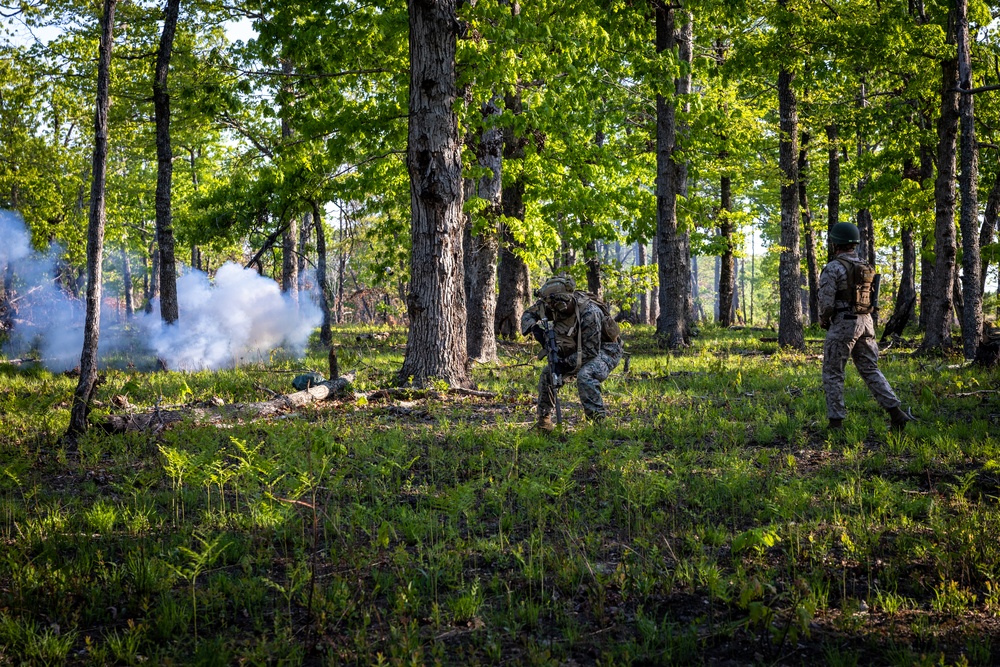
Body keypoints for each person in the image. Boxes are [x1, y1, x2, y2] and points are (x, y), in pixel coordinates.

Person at [819, 222, 913, 431]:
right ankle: (896, 413)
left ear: (836, 244)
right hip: (866, 323)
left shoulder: (833, 268)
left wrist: (824, 319)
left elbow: (826, 303)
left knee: (833, 372)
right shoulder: (866, 267)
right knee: (870, 369)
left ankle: (836, 423)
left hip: (844, 324)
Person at [521, 275, 623, 432]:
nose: (556, 309)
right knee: (549, 374)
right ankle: (544, 422)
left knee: (586, 375)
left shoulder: (589, 312)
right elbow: (528, 314)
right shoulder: (549, 303)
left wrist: (564, 364)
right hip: (577, 349)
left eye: (560, 305)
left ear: (567, 299)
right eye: (552, 305)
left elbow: (590, 352)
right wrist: (534, 329)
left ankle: (598, 425)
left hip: (605, 350)